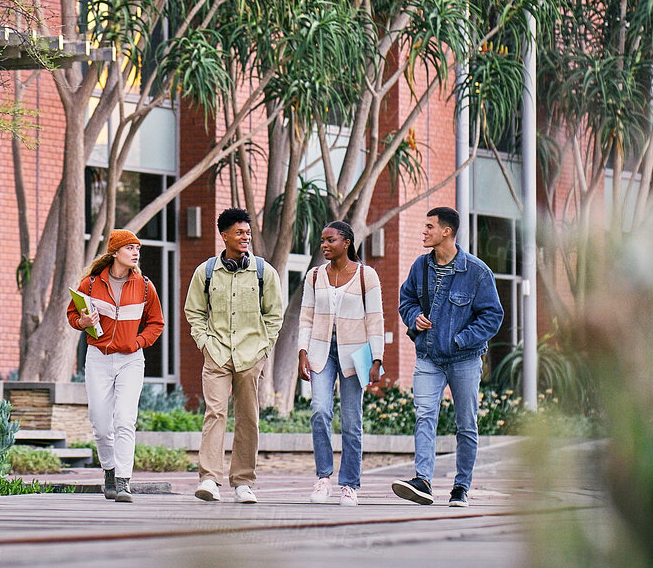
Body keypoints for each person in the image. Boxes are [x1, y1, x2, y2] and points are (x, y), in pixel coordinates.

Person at [393, 206, 504, 507]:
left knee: (466, 424)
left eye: (430, 226)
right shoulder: (420, 266)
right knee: (424, 416)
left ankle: (461, 487)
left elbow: (492, 316)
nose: (424, 231)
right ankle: (423, 481)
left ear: (447, 231)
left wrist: (461, 339)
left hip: (464, 359)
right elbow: (406, 301)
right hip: (428, 356)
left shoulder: (477, 272)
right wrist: (414, 316)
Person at [184, 208, 284, 503]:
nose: (245, 237)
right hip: (216, 353)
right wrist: (204, 342)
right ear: (224, 234)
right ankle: (209, 480)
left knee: (248, 418)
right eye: (239, 232)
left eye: (248, 233)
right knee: (215, 413)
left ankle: (243, 482)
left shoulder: (264, 272)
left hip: (251, 355)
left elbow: (274, 315)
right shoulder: (205, 272)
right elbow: (194, 312)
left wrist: (264, 350)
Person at [69, 230, 166, 502]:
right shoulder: (90, 284)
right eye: (129, 248)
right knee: (100, 425)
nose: (135, 253)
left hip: (131, 360)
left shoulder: (145, 286)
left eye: (138, 249)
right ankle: (109, 471)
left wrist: (137, 343)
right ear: (115, 253)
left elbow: (156, 323)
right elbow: (72, 314)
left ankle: (123, 481)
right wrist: (82, 323)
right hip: (98, 356)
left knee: (125, 420)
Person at [296, 221, 386, 506]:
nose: (324, 245)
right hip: (321, 350)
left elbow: (375, 319)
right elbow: (306, 317)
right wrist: (302, 351)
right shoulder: (314, 276)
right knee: (320, 409)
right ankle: (324, 478)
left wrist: (377, 358)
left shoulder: (366, 275)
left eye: (330, 240)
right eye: (322, 240)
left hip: (355, 352)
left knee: (351, 420)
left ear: (346, 242)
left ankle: (349, 484)